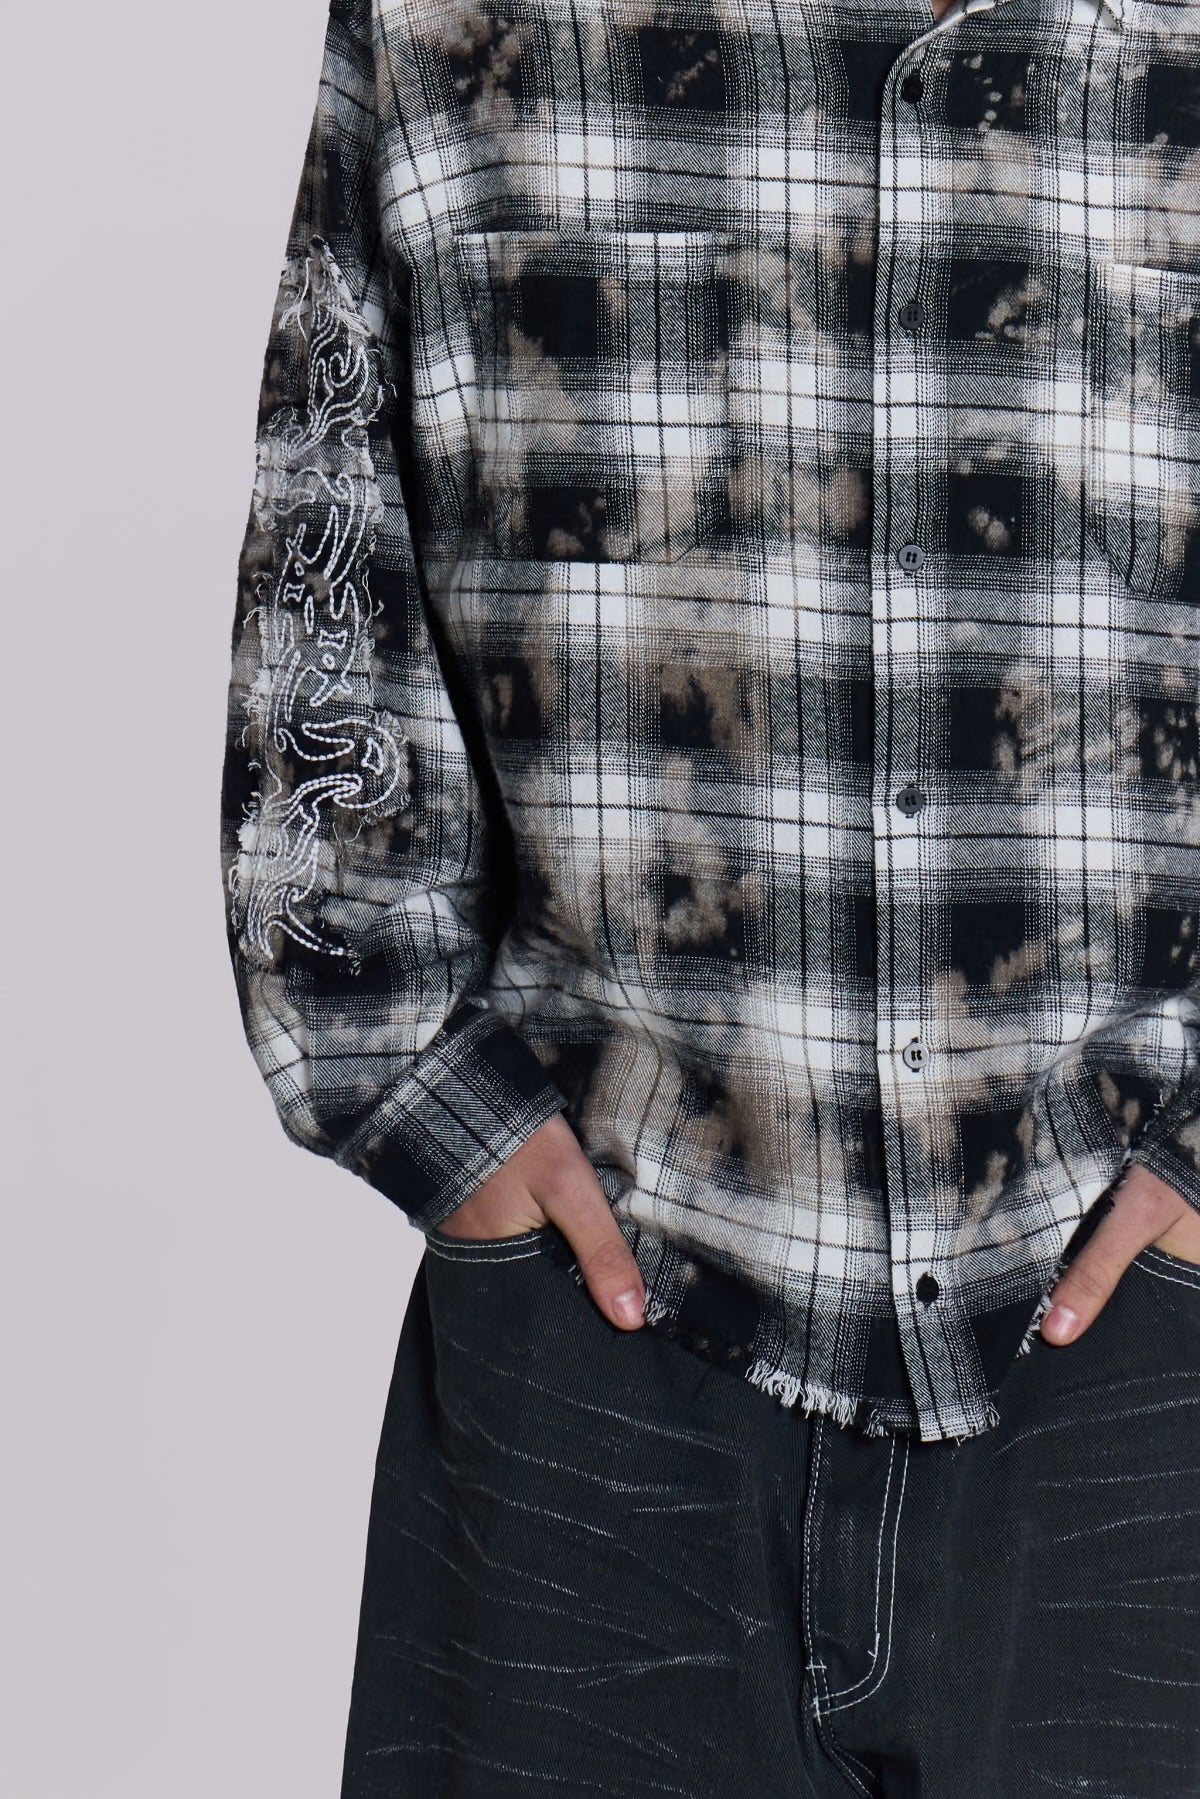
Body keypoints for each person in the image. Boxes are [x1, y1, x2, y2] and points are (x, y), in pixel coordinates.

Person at [220, 0, 1200, 1790]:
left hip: (1151, 1342)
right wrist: (427, 1100)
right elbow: (326, 567)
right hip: (606, 1326)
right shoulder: (457, 24)